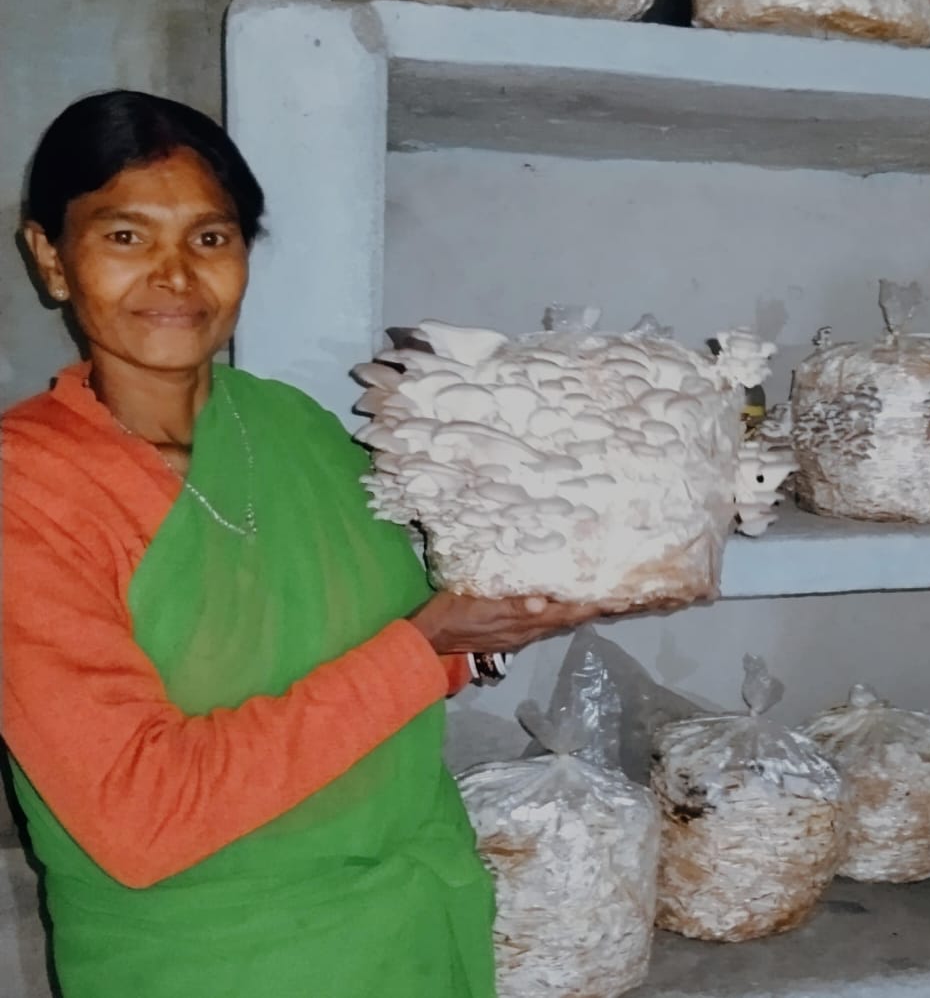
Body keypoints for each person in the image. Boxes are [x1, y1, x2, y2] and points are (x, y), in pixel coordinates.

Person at [1, 90, 599, 998]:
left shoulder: (299, 428)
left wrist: (496, 627)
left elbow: (397, 646)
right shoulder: (28, 490)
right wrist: (428, 645)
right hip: (213, 961)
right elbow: (140, 816)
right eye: (125, 237)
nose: (175, 276)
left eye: (211, 238)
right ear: (51, 258)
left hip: (409, 937)